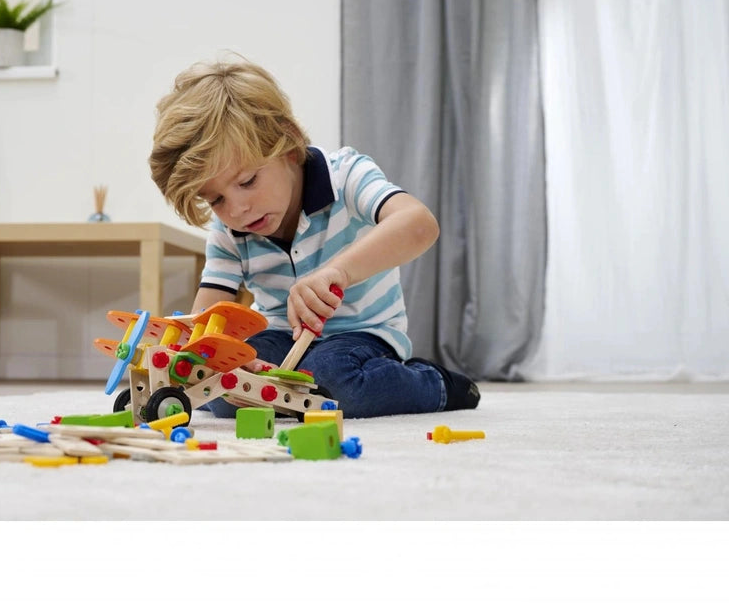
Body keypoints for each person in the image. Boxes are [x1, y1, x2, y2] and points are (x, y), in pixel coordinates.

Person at [148, 55, 480, 419]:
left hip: (363, 333)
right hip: (279, 333)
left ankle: (436, 384)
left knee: (329, 381)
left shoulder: (346, 175)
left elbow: (419, 224)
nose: (237, 209)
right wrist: (211, 361)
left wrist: (338, 271)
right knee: (221, 389)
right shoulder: (228, 230)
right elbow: (208, 315)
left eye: (247, 181)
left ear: (289, 146)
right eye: (216, 199)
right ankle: (283, 395)